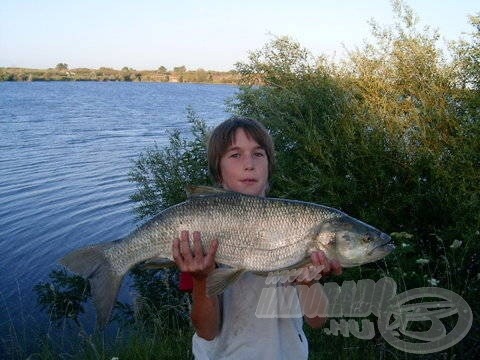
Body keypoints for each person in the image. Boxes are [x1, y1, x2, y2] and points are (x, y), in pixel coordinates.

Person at [172, 117, 342, 359]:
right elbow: (207, 331)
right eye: (235, 155)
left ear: (269, 167)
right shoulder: (201, 231)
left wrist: (308, 282)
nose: (249, 164)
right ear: (218, 173)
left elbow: (317, 320)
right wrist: (201, 279)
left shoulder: (296, 226)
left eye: (258, 154)